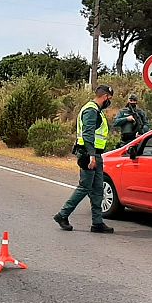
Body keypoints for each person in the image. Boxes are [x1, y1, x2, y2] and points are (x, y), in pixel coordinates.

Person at [53, 85, 115, 234]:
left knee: (98, 189)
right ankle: (62, 215)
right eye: (110, 99)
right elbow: (88, 135)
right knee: (85, 188)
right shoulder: (91, 110)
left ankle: (97, 222)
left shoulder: (96, 110)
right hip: (89, 155)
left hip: (96, 154)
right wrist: (92, 156)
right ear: (105, 96)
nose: (109, 102)